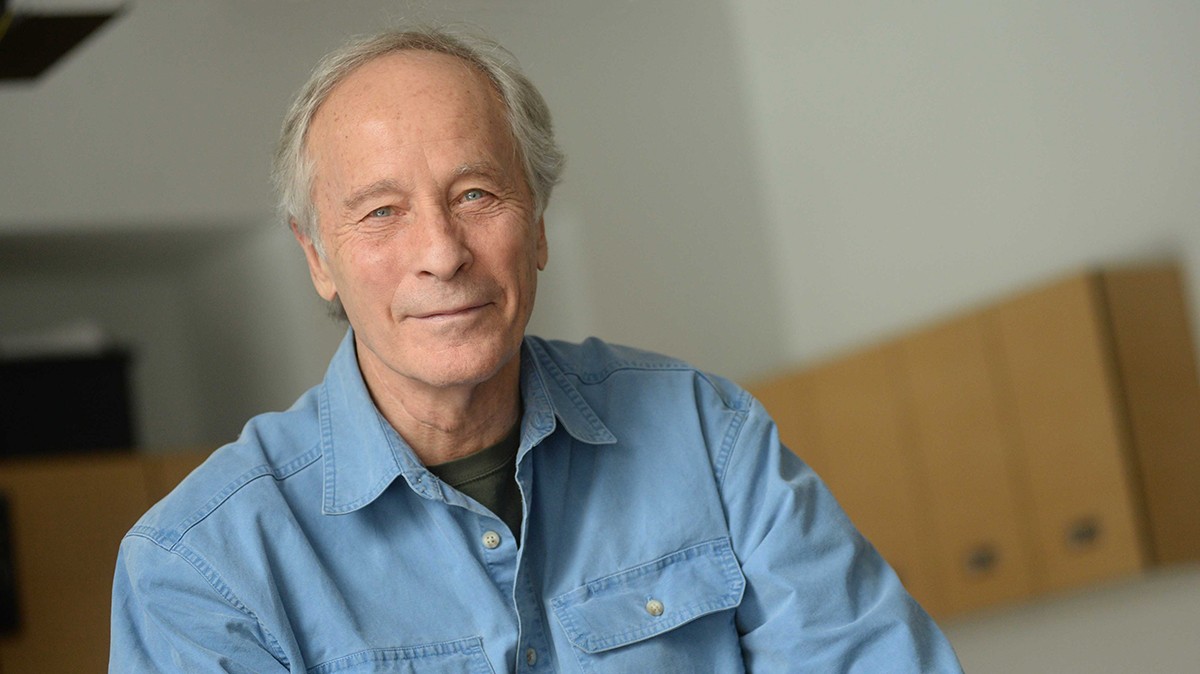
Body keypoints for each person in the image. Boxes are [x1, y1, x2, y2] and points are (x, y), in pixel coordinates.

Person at [110, 27, 962, 673]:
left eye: (476, 193)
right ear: (316, 259)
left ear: (539, 224)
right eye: (381, 212)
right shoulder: (198, 566)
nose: (442, 252)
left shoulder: (707, 436)